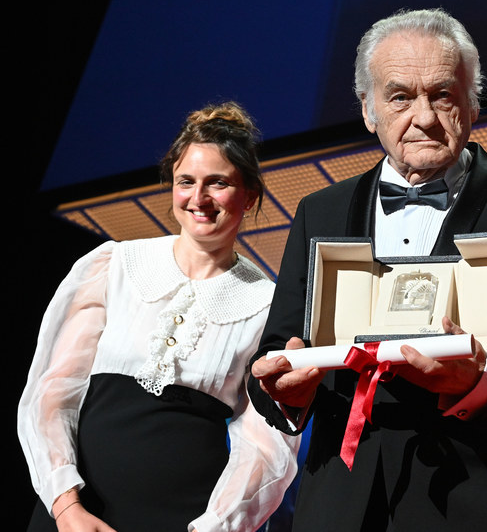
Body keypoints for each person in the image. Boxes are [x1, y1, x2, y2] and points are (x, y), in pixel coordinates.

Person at [248, 8, 487, 531]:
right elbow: (277, 355)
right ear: (368, 110)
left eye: (442, 94)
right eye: (399, 97)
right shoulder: (318, 211)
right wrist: (283, 390)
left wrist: (482, 379)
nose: (424, 117)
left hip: (472, 501)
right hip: (338, 506)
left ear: (472, 103)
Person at [18, 102, 299, 532]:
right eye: (186, 181)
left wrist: (215, 527)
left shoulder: (266, 303)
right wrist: (66, 505)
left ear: (250, 196)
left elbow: (266, 446)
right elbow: (51, 393)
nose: (198, 198)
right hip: (76, 515)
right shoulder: (114, 265)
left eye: (218, 183)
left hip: (181, 519)